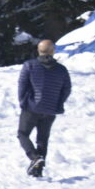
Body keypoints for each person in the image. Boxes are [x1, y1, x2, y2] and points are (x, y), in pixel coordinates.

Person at [17, 39, 71, 178]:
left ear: (38, 50)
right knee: (42, 139)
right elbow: (66, 89)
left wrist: (23, 102)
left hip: (31, 107)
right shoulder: (61, 69)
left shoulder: (30, 65)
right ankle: (38, 170)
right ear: (53, 51)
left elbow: (22, 85)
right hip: (50, 109)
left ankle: (34, 158)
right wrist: (58, 103)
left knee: (23, 134)